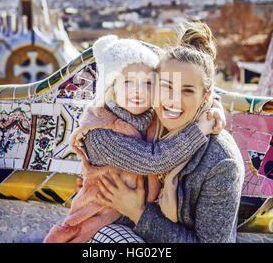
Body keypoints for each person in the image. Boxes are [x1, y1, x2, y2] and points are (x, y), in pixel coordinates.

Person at [44, 34, 225, 243]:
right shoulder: (101, 132)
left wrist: (212, 106)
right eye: (129, 82)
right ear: (112, 86)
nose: (138, 91)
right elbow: (153, 161)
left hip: (139, 226)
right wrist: (200, 129)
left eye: (148, 83)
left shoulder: (152, 118)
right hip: (97, 226)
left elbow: (190, 90)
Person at [89, 22, 245, 243]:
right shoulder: (146, 122)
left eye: (187, 90)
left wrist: (138, 213)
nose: (173, 99)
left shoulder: (220, 162)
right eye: (166, 86)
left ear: (204, 96)